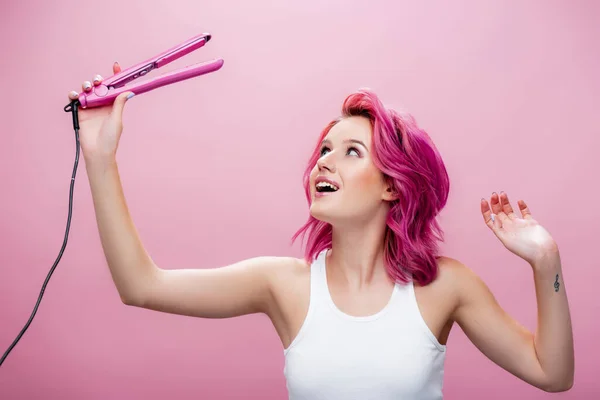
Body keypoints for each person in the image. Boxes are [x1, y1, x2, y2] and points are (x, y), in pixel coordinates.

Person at [67, 62, 574, 399]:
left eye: (352, 152)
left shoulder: (445, 286)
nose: (324, 163)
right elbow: (140, 286)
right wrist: (100, 157)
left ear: (392, 187)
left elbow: (551, 374)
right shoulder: (283, 285)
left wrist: (545, 261)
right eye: (325, 151)